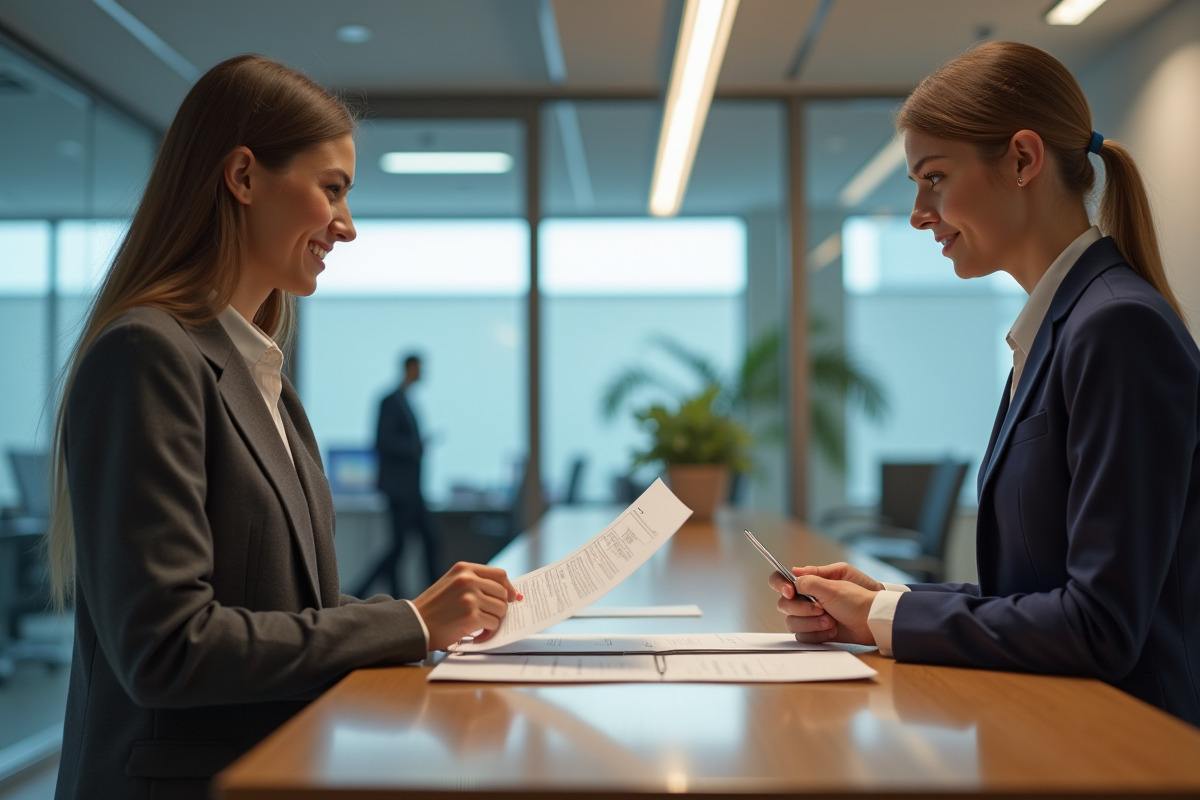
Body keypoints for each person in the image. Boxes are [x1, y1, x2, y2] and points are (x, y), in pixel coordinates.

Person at [45, 55, 521, 800]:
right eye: (332, 189)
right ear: (242, 177)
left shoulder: (264, 377)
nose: (348, 226)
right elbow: (168, 648)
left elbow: (292, 610)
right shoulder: (146, 353)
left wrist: (433, 614)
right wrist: (411, 623)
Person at [771, 41, 1200, 728]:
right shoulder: (1059, 327)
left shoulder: (1117, 327)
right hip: (1057, 730)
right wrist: (887, 600)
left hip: (1129, 747)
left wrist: (889, 615)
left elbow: (1099, 623)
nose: (918, 211)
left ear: (1023, 160)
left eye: (934, 177)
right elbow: (1039, 590)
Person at [354, 352, 441, 597]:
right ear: (409, 369)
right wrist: (416, 447)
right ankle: (366, 592)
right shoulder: (391, 401)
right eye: (419, 368)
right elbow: (383, 441)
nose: (423, 373)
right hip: (400, 490)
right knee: (405, 545)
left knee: (412, 544)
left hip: (411, 490)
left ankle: (415, 595)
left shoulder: (404, 400)